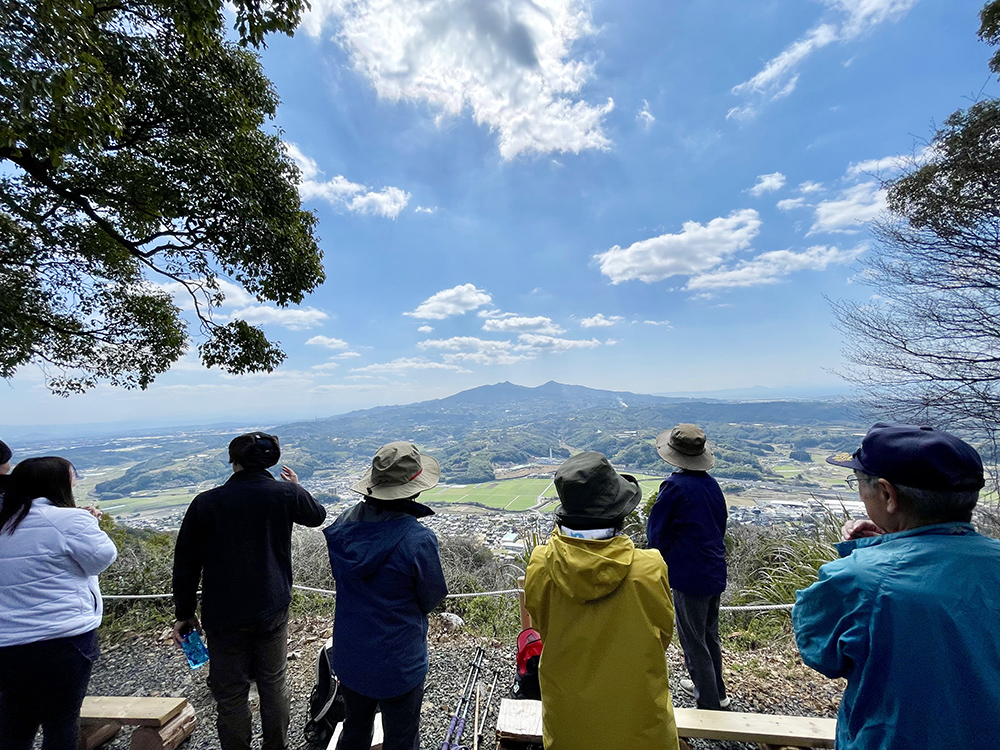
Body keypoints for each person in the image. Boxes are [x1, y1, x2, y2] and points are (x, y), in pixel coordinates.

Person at [794, 423, 1000, 749]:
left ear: (888, 494)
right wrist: (894, 544)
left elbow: (821, 651)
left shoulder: (857, 580)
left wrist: (876, 556)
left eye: (859, 484)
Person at [172, 432, 326, 750]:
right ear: (273, 460)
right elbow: (317, 516)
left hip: (223, 612)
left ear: (235, 461)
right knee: (273, 683)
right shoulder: (285, 494)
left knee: (230, 692)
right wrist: (296, 487)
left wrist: (184, 613)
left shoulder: (206, 502)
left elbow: (186, 563)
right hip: (272, 605)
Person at [524, 452, 680, 750]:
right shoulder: (649, 569)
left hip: (568, 723)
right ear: (619, 511)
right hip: (642, 724)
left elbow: (544, 627)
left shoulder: (541, 566)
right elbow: (663, 635)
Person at [324, 442, 448, 750]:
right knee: (401, 738)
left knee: (354, 729)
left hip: (351, 653)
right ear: (413, 490)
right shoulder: (416, 539)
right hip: (398, 659)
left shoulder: (342, 527)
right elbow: (431, 598)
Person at [0, 456, 118, 750]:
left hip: (7, 640)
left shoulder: (4, 521)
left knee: (15, 721)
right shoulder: (69, 519)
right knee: (61, 720)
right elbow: (101, 558)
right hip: (64, 636)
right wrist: (88, 523)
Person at [646, 424, 730, 710]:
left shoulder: (674, 487)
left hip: (689, 574)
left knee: (693, 641)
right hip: (714, 569)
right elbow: (721, 525)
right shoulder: (711, 485)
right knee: (709, 635)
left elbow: (657, 533)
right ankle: (716, 690)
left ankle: (709, 705)